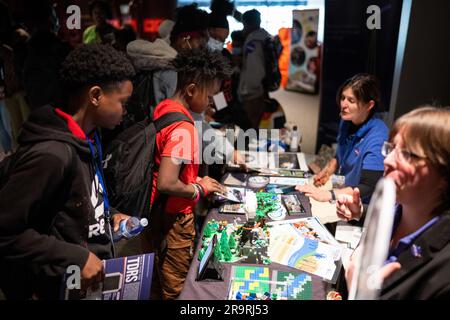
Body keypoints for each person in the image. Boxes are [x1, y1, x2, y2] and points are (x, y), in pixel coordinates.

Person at [0, 44, 135, 299]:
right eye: (122, 102)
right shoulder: (51, 154)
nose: (125, 111)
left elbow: (78, 196)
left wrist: (110, 214)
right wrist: (77, 256)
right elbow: (6, 229)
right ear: (95, 96)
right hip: (57, 286)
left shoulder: (89, 136)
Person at [145, 48, 231, 300]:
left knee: (157, 279)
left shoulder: (164, 107)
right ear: (192, 90)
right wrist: (199, 188)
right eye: (209, 95)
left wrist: (194, 180)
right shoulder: (184, 127)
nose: (210, 102)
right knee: (177, 288)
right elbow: (167, 182)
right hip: (174, 217)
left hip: (156, 213)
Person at [339, 106, 450, 299]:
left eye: (407, 154)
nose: (387, 161)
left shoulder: (444, 274)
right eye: (391, 148)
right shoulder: (393, 209)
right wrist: (360, 212)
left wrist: (360, 293)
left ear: (444, 174)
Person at [297, 74, 388, 204]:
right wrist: (328, 170)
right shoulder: (347, 120)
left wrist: (329, 195)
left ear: (369, 105)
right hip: (343, 190)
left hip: (363, 206)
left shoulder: (378, 137)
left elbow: (369, 186)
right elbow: (342, 153)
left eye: (351, 101)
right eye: (343, 98)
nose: (343, 104)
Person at [238, 9, 272, 129]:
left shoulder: (254, 42)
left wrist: (246, 90)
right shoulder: (264, 37)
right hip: (261, 89)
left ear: (248, 24)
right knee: (256, 123)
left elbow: (254, 69)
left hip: (253, 93)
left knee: (250, 126)